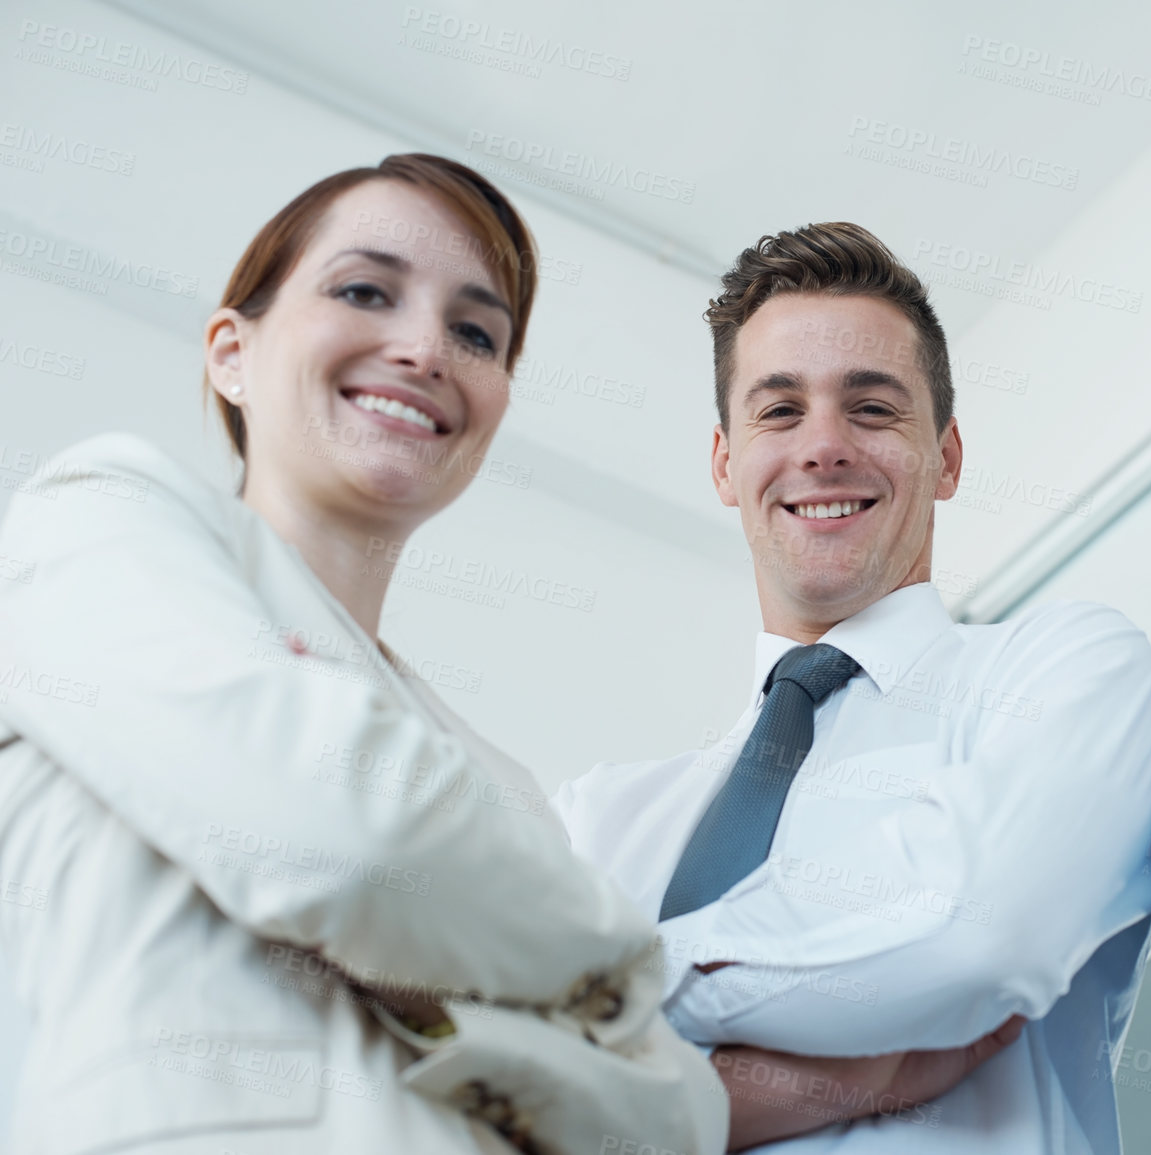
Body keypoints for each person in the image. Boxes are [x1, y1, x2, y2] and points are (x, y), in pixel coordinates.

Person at [0, 154, 727, 1154]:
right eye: (364, 291)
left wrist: (453, 963)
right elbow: (342, 840)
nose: (426, 347)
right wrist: (622, 970)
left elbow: (673, 1119)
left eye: (476, 332)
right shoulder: (101, 516)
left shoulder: (504, 790)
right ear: (229, 351)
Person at [555, 222, 1151, 1153]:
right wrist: (839, 1076)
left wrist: (606, 994)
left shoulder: (1066, 673)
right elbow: (491, 1086)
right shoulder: (598, 819)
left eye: (872, 408)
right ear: (726, 463)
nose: (824, 447)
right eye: (779, 411)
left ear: (948, 456)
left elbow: (977, 941)